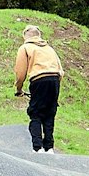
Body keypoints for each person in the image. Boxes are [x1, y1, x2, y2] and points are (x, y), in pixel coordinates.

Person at [13, 24, 65, 154]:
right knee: (49, 113)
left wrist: (19, 89)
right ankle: (49, 147)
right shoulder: (49, 49)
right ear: (39, 36)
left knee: (35, 113)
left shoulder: (25, 48)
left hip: (39, 80)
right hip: (54, 80)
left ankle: (38, 147)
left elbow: (20, 73)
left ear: (25, 36)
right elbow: (61, 71)